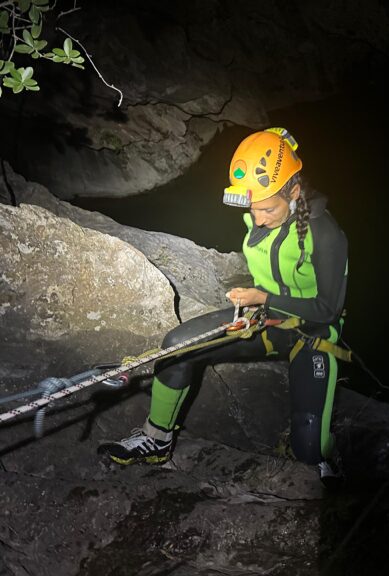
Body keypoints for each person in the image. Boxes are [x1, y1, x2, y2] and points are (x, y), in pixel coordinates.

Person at [99, 127, 349, 487]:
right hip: (266, 322)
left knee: (309, 451)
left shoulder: (326, 234)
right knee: (177, 347)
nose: (257, 218)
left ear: (294, 193)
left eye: (266, 209)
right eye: (253, 208)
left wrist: (262, 298)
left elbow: (327, 309)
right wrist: (257, 306)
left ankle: (328, 454)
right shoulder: (264, 215)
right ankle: (156, 439)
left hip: (312, 334)